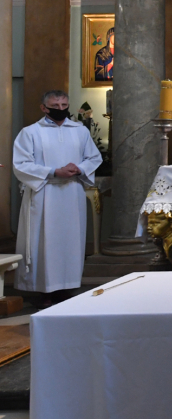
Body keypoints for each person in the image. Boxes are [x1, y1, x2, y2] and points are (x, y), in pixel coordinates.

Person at [12, 90, 103, 304]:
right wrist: (53, 172)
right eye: (55, 105)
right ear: (44, 108)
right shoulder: (30, 132)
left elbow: (93, 157)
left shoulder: (80, 131)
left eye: (64, 105)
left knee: (71, 240)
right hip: (44, 192)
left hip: (72, 193)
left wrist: (79, 169)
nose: (60, 109)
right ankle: (46, 290)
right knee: (45, 240)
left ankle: (67, 287)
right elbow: (21, 165)